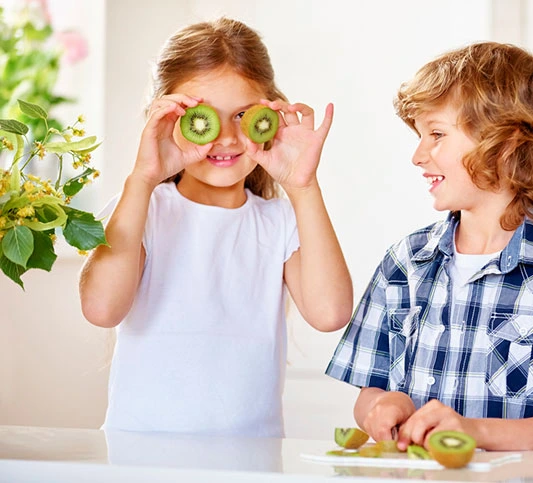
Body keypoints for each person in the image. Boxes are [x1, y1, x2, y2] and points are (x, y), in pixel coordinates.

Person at [325, 41, 533, 452]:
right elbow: (369, 393)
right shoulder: (403, 264)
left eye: (436, 134)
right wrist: (384, 405)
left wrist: (471, 431)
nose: (418, 155)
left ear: (505, 141)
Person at [79, 17, 353, 436]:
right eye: (203, 116)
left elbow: (330, 313)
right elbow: (101, 309)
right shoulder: (143, 209)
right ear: (165, 117)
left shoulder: (279, 221)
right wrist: (142, 179)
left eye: (244, 115)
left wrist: (303, 187)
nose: (224, 138)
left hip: (251, 458)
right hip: (139, 455)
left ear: (271, 114)